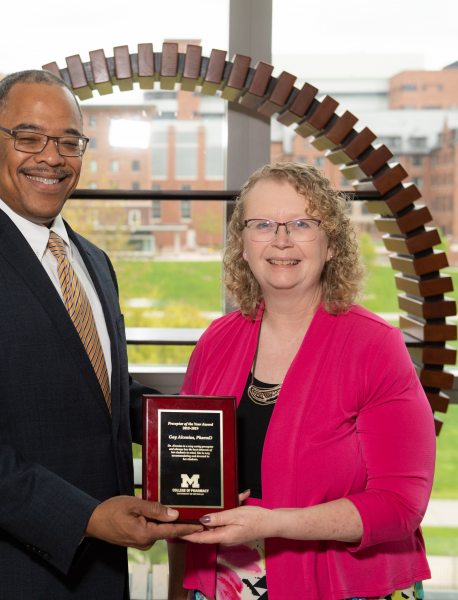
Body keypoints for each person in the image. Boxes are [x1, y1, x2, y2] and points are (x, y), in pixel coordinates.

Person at [0, 70, 201, 600]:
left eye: (68, 142)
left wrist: (199, 431)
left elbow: (101, 397)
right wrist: (88, 517)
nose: (51, 157)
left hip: (98, 574)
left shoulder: (95, 262)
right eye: (29, 138)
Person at [167, 162, 435, 600]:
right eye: (263, 224)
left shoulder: (375, 346)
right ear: (243, 244)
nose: (281, 239)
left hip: (349, 588)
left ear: (331, 245)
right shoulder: (217, 340)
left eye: (301, 223)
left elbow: (400, 505)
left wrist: (277, 524)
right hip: (226, 586)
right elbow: (191, 483)